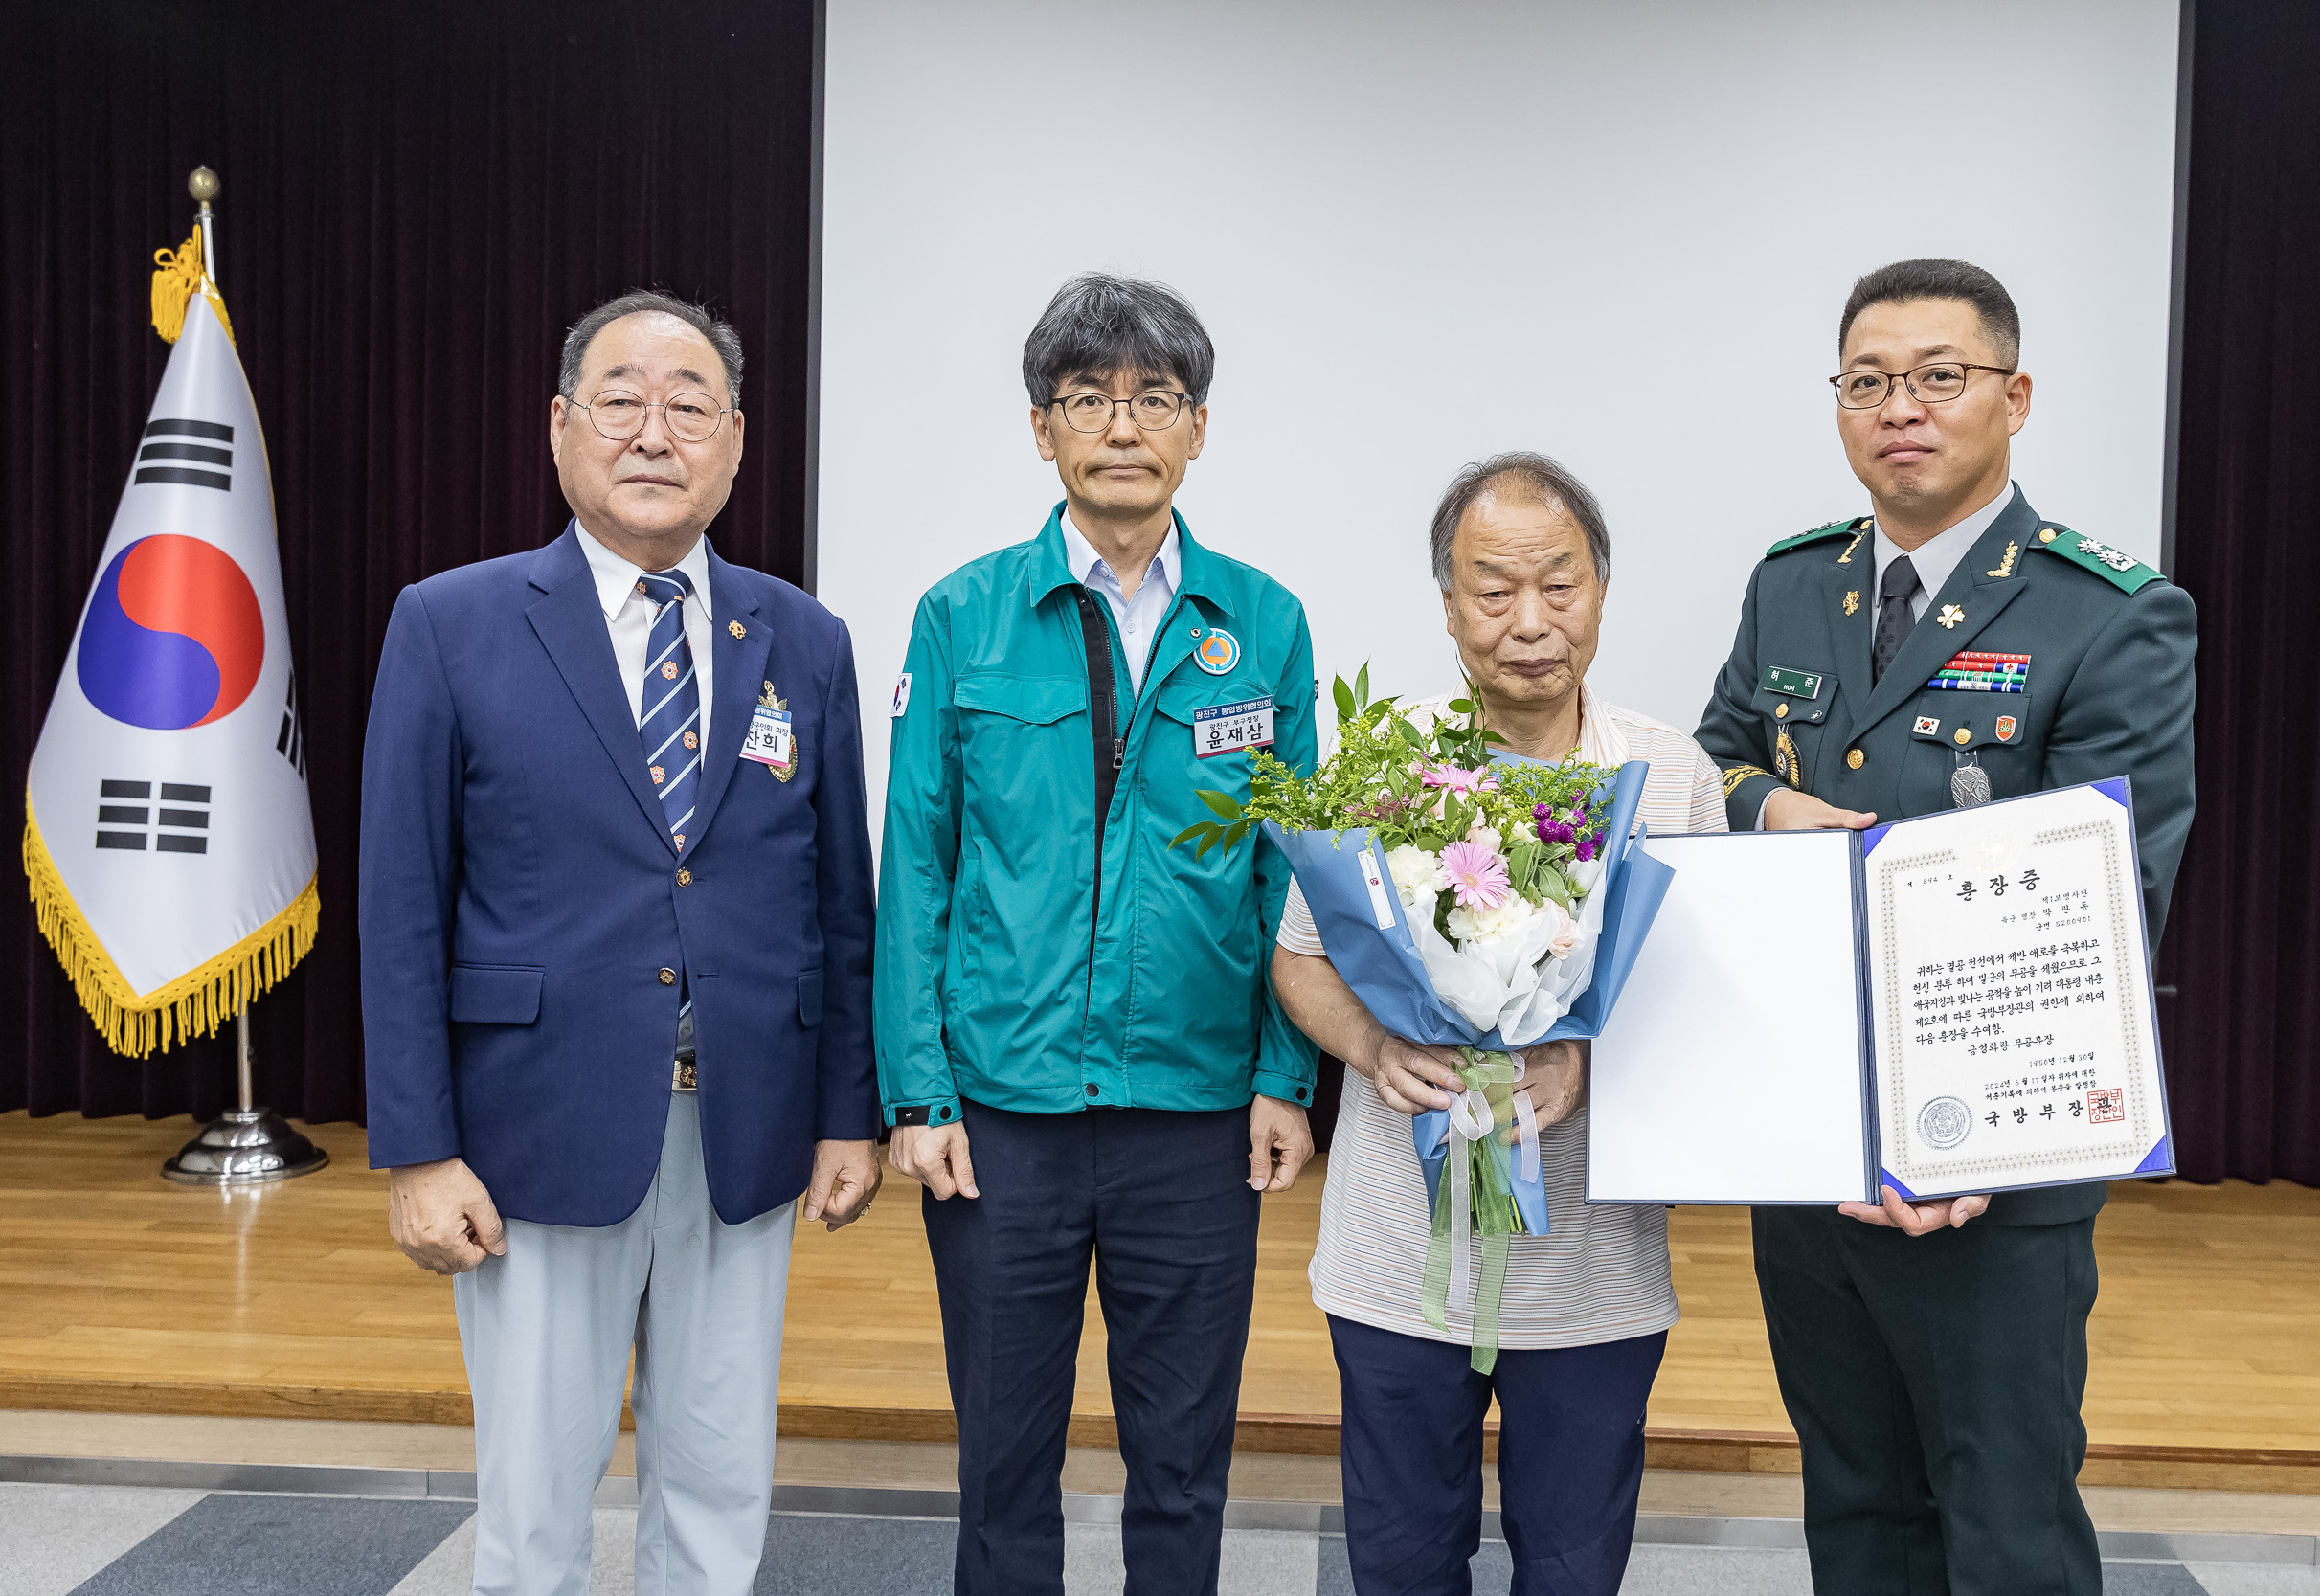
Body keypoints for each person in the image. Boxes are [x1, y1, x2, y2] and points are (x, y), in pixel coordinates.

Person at [359, 290, 882, 1596]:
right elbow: (403, 901)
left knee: (717, 1483)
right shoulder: (452, 622)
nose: (656, 432)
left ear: (738, 440)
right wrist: (418, 1149)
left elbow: (839, 902)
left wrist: (847, 1113)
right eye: (623, 399)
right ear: (561, 428)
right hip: (536, 1129)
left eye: (690, 404)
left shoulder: (804, 641)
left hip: (745, 1131)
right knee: (535, 1498)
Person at [1694, 259, 2197, 1595]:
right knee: (1854, 1499)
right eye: (1867, 382)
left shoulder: (2108, 614)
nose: (1898, 408)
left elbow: (2110, 902)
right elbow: (1717, 761)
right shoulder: (1794, 584)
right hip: (1805, 1138)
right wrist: (1768, 806)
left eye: (1938, 377)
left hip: (1990, 1161)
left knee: (2005, 1516)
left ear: (2014, 397)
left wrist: (1969, 1135)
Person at [873, 272, 1319, 1596]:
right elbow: (919, 863)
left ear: (1197, 426)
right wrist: (917, 1088)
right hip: (1002, 1111)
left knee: (1182, 1460)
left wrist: (1284, 1075)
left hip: (1192, 1110)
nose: (1122, 426)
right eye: (1089, 398)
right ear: (1041, 427)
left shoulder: (1264, 621)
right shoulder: (964, 615)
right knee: (1003, 1459)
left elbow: (1290, 874)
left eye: (1154, 398)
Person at [1271, 454, 1725, 1596]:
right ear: (1447, 604)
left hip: (1593, 1270)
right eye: (1492, 589)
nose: (1529, 622)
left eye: (1558, 585)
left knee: (1572, 1566)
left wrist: (1584, 1050)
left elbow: (1704, 1003)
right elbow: (1298, 960)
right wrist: (1377, 1046)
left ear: (1603, 592)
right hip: (1395, 1257)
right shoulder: (1380, 762)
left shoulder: (1670, 775)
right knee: (1401, 1561)